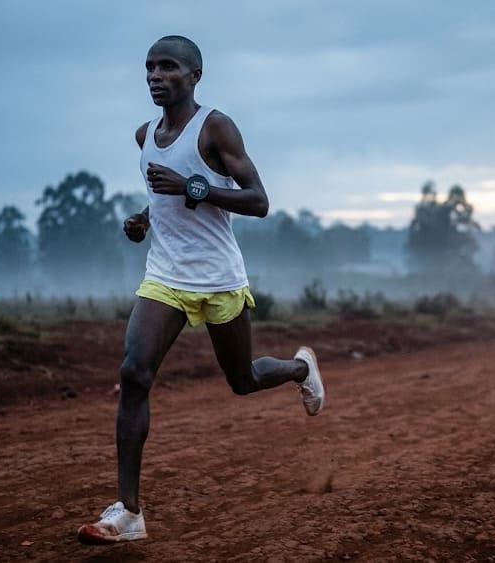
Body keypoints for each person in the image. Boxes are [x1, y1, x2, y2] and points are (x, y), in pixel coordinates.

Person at [77, 35, 325, 545]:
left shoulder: (215, 126)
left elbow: (258, 201)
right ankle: (129, 512)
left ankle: (301, 367)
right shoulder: (144, 135)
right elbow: (162, 197)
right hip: (165, 276)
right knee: (134, 372)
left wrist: (192, 188)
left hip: (218, 279)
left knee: (243, 379)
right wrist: (144, 220)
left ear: (195, 75)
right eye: (149, 67)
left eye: (167, 67)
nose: (154, 76)